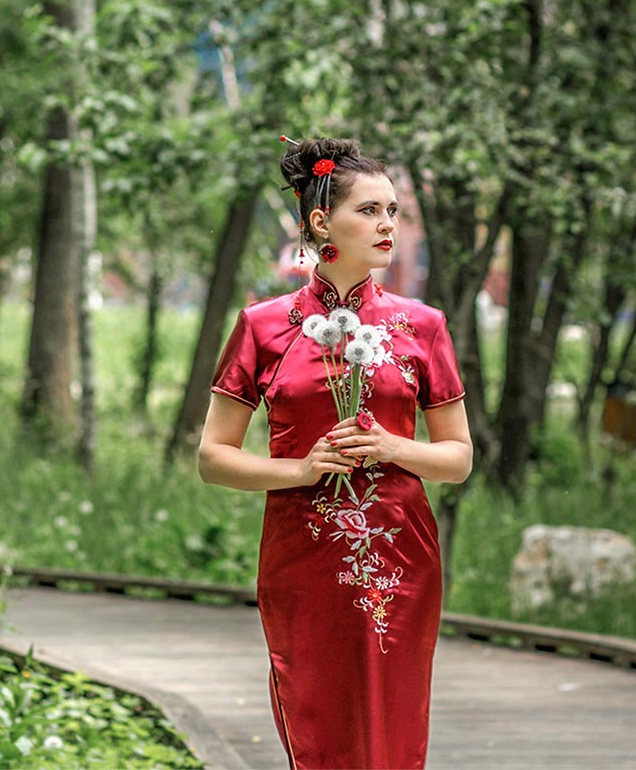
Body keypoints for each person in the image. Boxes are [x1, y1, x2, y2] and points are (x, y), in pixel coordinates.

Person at [197, 136, 473, 769]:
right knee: (317, 728)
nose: (386, 226)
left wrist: (393, 446)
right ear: (322, 221)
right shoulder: (263, 325)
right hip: (304, 556)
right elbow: (213, 457)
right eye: (369, 210)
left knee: (393, 731)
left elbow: (457, 457)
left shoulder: (421, 325)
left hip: (400, 557)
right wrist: (300, 468)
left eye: (392, 212)